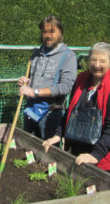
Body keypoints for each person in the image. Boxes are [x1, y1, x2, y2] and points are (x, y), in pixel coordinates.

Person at [64, 42, 110, 171]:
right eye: (93, 59)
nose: (97, 65)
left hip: (104, 156)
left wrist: (96, 155)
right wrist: (57, 134)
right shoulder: (81, 79)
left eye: (102, 61)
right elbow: (71, 111)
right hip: (81, 150)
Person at [18, 15, 77, 153]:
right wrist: (25, 81)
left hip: (51, 114)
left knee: (49, 155)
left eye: (52, 31)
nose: (48, 36)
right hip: (31, 109)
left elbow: (66, 86)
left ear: (60, 32)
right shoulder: (36, 54)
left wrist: (35, 92)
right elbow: (31, 80)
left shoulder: (68, 56)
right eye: (45, 31)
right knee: (27, 150)